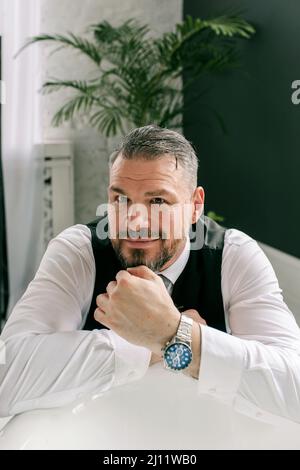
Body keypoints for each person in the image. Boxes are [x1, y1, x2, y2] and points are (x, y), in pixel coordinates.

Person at [0, 125, 300, 424]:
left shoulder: (232, 255)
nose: (135, 220)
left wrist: (173, 332)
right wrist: (157, 342)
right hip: (102, 430)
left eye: (158, 201)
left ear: (195, 206)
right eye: (121, 199)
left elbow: (294, 388)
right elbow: (6, 378)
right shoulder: (78, 251)